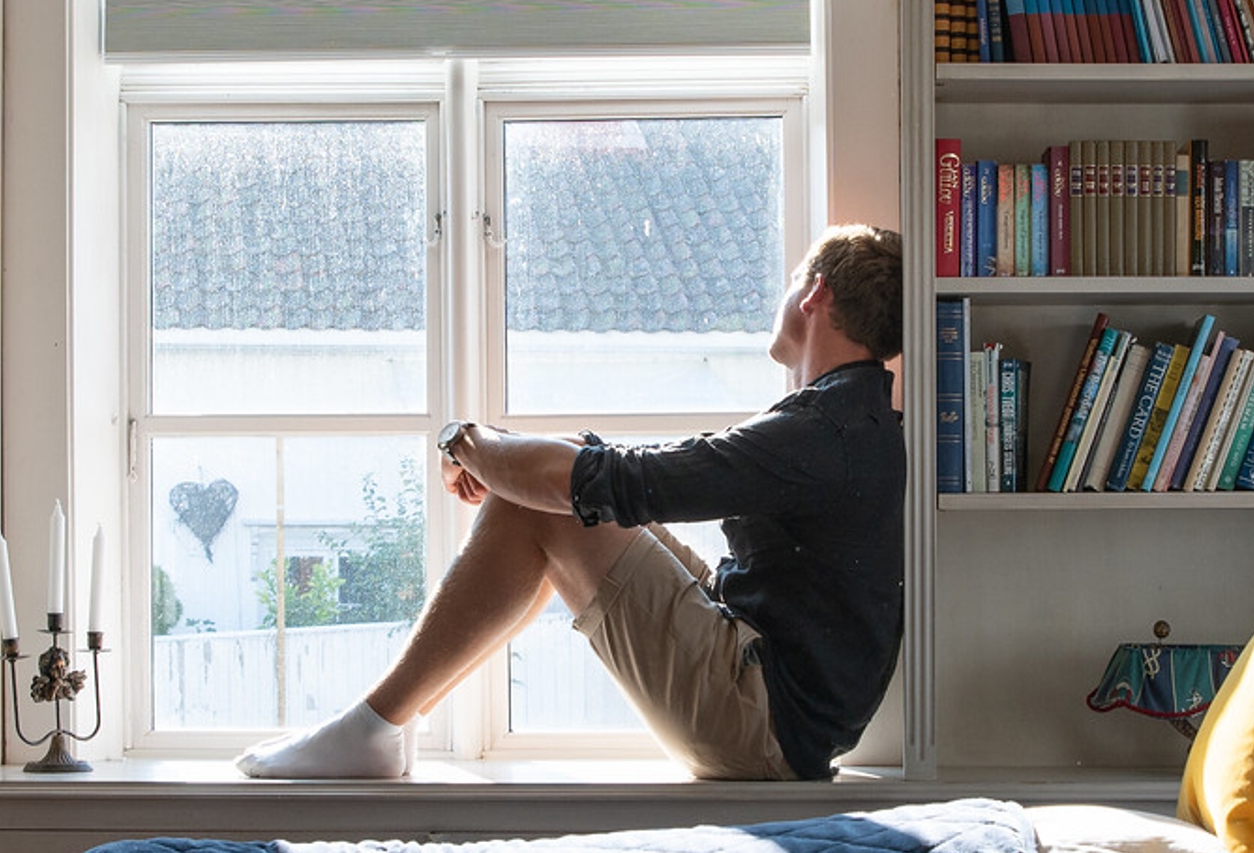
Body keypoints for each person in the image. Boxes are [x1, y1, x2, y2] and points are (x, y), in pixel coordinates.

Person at [240, 225, 905, 782]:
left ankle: (374, 727)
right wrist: (529, 463)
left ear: (815, 292)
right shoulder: (849, 419)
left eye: (792, 280)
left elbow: (619, 482)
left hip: (762, 723)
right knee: (567, 481)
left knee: (553, 498)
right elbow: (615, 476)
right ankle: (389, 726)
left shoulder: (821, 433)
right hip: (773, 693)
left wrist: (467, 443)